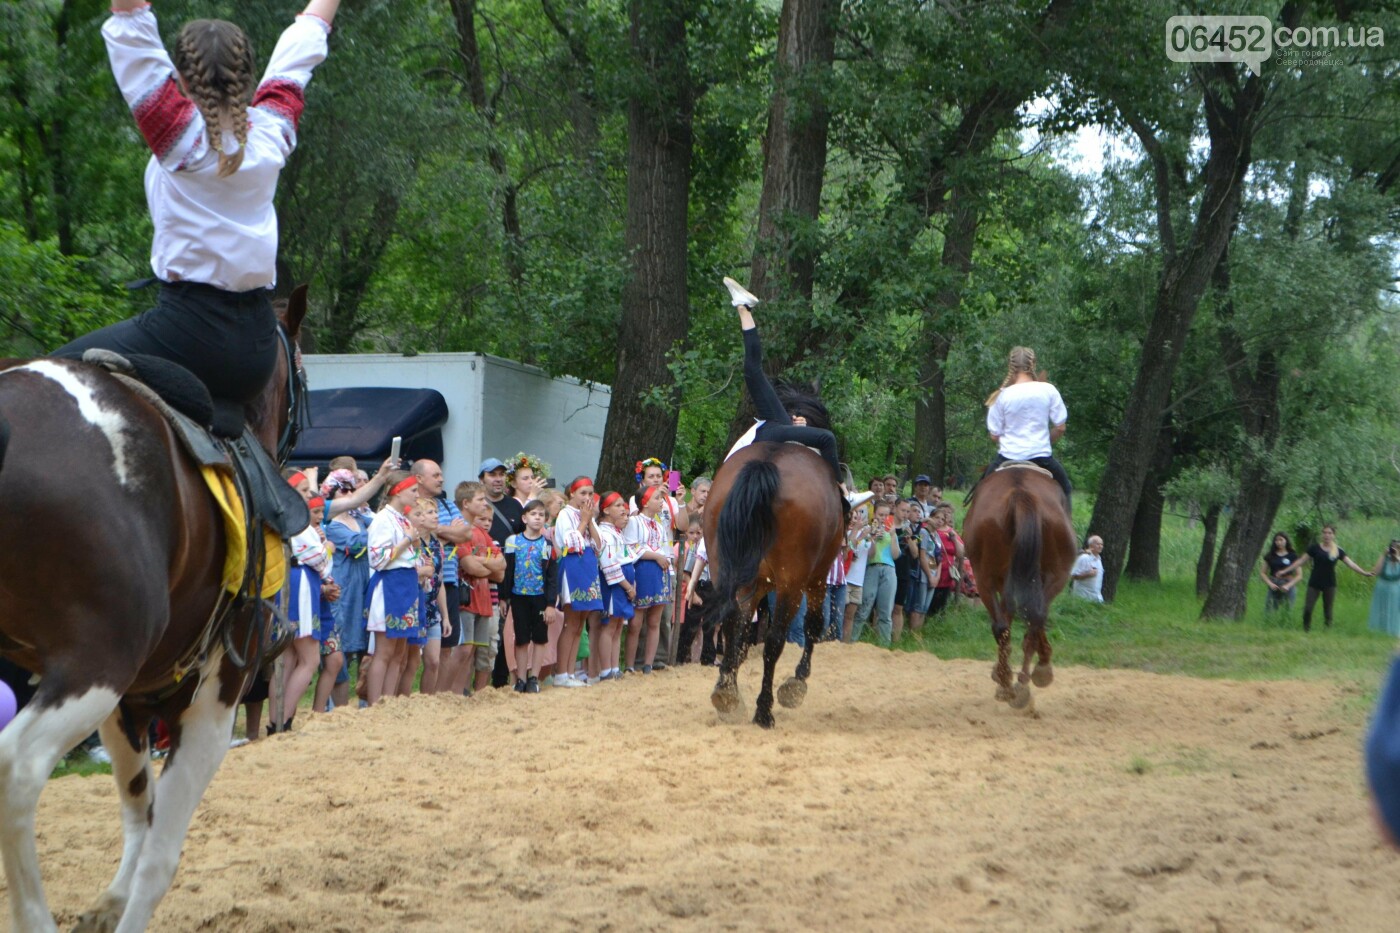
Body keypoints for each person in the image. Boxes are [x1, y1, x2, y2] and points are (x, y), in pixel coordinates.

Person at [57, 0, 341, 412]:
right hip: (257, 353)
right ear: (246, 80)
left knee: (34, 374)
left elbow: (131, 22)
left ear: (181, 81)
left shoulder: (177, 137)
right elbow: (303, 42)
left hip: (187, 336)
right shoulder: (272, 135)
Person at [721, 277, 873, 509]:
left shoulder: (775, 416)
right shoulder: (777, 424)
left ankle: (743, 308)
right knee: (827, 438)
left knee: (753, 371)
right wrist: (794, 430)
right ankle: (844, 492)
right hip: (769, 432)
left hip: (769, 426)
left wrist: (795, 428)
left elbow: (753, 368)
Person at [982, 346, 1072, 507]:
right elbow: (1060, 427)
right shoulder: (1048, 390)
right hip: (1042, 458)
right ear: (1034, 364)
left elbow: (994, 435)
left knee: (981, 493)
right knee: (1065, 487)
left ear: (1010, 366)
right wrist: (1044, 441)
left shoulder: (1001, 395)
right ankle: (1070, 531)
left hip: (1007, 457)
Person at [363, 472, 424, 704]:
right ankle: (375, 703)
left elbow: (412, 555)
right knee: (385, 652)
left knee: (399, 652)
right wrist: (408, 540)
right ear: (398, 491)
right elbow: (378, 558)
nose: (417, 496)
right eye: (413, 491)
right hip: (390, 585)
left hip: (405, 585)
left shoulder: (402, 519)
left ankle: (389, 702)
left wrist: (414, 544)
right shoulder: (382, 519)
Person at [553, 477, 602, 687]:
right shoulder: (565, 514)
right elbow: (570, 543)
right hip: (573, 566)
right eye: (583, 493)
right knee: (571, 621)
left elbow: (600, 545)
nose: (587, 498)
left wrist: (589, 520)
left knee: (581, 621)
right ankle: (562, 673)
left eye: (590, 494)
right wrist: (584, 521)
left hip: (588, 566)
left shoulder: (588, 515)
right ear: (571, 494)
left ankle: (571, 672)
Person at [503, 500, 554, 693]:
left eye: (541, 515)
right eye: (534, 514)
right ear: (525, 518)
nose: (537, 518)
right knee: (521, 637)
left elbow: (551, 575)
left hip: (539, 596)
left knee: (540, 637)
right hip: (518, 596)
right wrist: (503, 597)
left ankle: (534, 677)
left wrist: (550, 603)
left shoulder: (547, 544)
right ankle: (521, 678)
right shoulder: (513, 541)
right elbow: (507, 571)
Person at [1287, 524, 1374, 632]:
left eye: (1329, 533)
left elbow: (1350, 564)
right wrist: (1286, 570)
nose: (1326, 535)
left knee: (1328, 610)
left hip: (1330, 583)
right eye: (1324, 533)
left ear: (1333, 535)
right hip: (1314, 582)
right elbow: (1301, 561)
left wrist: (1364, 573)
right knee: (1308, 609)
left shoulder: (1338, 551)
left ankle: (1327, 630)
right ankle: (1306, 630)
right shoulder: (1314, 548)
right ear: (1322, 534)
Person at [595, 493, 637, 681]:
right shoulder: (605, 533)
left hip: (624, 582)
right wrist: (628, 586)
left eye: (624, 505)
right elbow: (609, 565)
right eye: (618, 505)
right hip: (614, 585)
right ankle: (605, 670)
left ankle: (614, 668)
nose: (623, 509)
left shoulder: (616, 533)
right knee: (610, 625)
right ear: (605, 510)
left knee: (619, 625)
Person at [1258, 532, 1301, 616]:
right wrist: (1270, 584)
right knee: (1269, 609)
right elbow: (1263, 573)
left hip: (1288, 584)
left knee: (1287, 610)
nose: (1278, 542)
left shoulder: (1292, 555)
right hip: (1274, 583)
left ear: (1286, 541)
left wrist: (1288, 585)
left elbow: (1299, 575)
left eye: (1281, 540)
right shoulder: (1270, 555)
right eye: (1276, 540)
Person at [1368, 540, 1400, 637]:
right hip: (1382, 587)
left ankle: (1394, 631)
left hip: (1395, 588)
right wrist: (1383, 555)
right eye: (1393, 548)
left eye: (1398, 548)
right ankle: (1380, 631)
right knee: (1381, 609)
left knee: (1395, 609)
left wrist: (1397, 558)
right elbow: (1375, 572)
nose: (1395, 550)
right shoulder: (1385, 559)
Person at [1070, 535, 1105, 603]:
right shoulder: (1084, 558)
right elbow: (1073, 575)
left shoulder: (1099, 560)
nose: (1100, 546)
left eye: (1101, 544)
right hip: (1082, 598)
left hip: (1097, 599)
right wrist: (1088, 574)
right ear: (1091, 545)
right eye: (1098, 544)